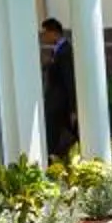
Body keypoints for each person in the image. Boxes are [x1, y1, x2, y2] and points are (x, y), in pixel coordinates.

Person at [39, 17, 78, 159]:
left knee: (54, 133)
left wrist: (73, 107)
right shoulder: (57, 51)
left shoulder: (64, 52)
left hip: (60, 103)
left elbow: (69, 80)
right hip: (56, 101)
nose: (43, 37)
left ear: (53, 32)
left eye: (45, 33)